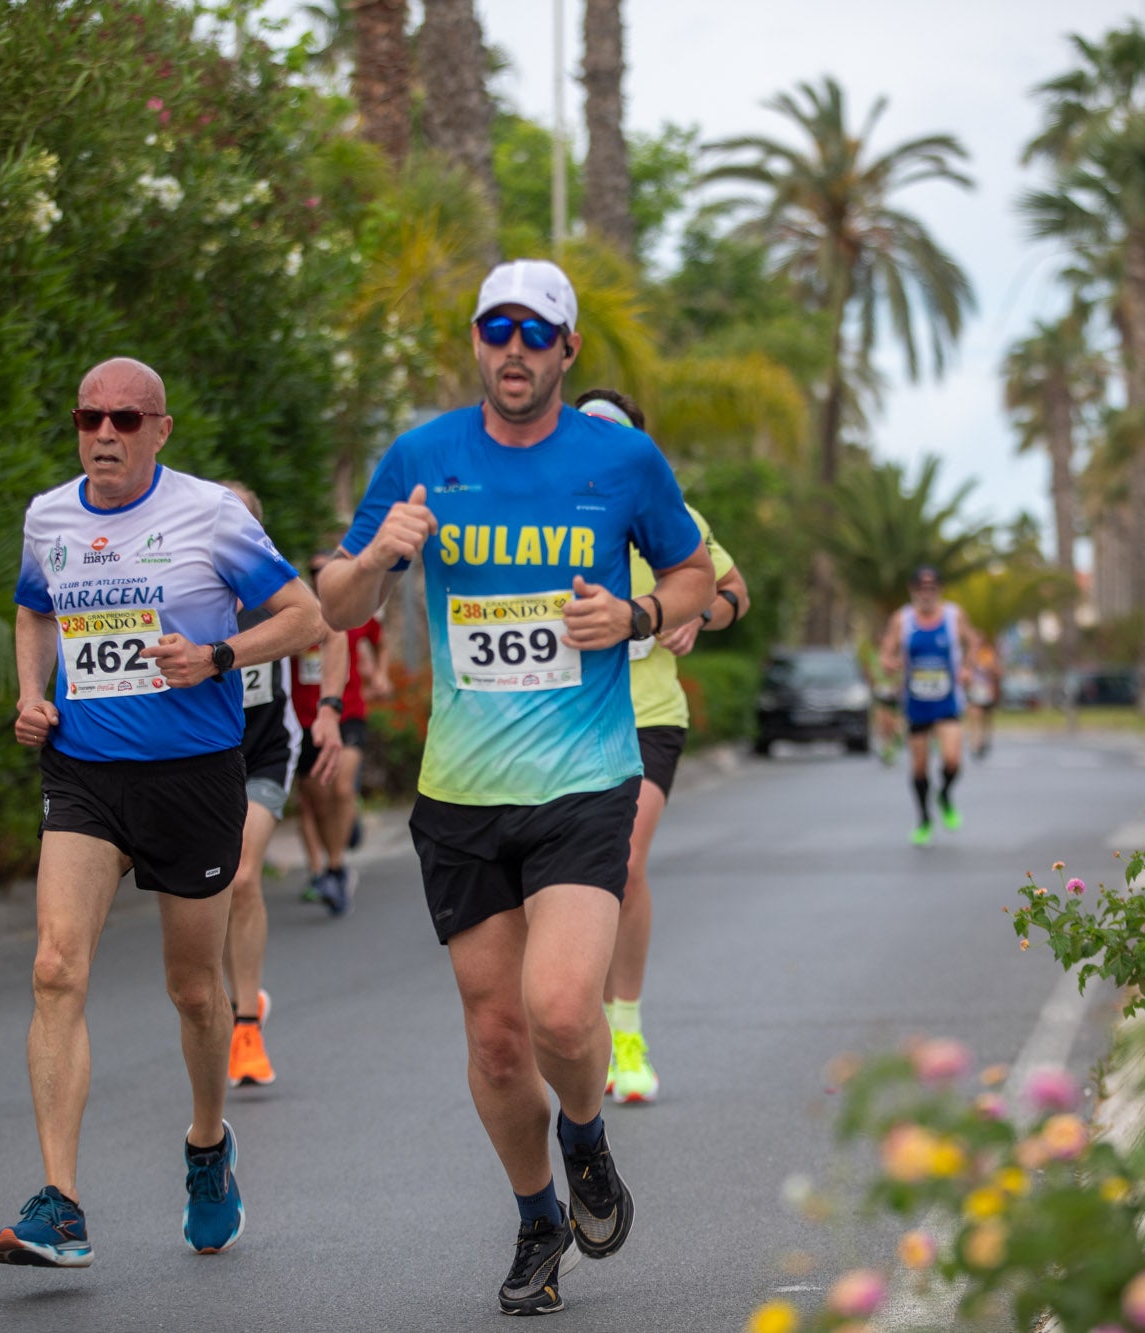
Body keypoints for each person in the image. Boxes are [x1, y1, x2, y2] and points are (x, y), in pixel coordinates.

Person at [318, 259, 716, 1315]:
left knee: (559, 1014)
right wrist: (374, 560)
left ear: (566, 351)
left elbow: (689, 577)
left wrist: (631, 618)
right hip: (460, 794)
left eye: (534, 333)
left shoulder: (622, 459)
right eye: (496, 329)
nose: (513, 349)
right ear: (477, 341)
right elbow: (332, 603)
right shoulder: (421, 456)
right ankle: (538, 1213)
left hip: (586, 780)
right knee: (495, 1039)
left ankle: (584, 1139)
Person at [0, 358, 324, 1267]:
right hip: (87, 774)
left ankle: (209, 1145)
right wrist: (33, 692)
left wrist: (219, 655)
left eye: (127, 420)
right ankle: (60, 1202)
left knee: (193, 989)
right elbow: (32, 610)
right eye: (90, 416)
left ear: (161, 430)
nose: (105, 433)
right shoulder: (49, 515)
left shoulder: (212, 514)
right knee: (56, 967)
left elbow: (305, 617)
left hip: (194, 775)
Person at [574, 387, 751, 1107]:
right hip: (564, 719)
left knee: (625, 860)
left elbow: (732, 589)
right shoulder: (539, 511)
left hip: (648, 713)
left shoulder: (670, 515)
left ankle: (627, 1030)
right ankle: (576, 1024)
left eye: (609, 430)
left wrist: (699, 616)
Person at [216, 484, 346, 1090]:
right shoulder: (179, 583)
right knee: (212, 890)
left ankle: (245, 1028)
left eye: (241, 520)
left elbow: (333, 632)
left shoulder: (273, 588)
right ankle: (238, 998)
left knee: (242, 876)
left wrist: (329, 709)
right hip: (197, 758)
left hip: (266, 751)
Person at [291, 550, 378, 913]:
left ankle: (336, 866)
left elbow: (377, 642)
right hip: (304, 720)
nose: (319, 575)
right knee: (315, 802)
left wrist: (381, 672)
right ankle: (328, 864)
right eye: (313, 569)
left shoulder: (353, 611)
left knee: (341, 787)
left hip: (347, 713)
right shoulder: (296, 613)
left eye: (326, 569)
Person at [878, 567, 976, 847]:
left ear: (940, 591)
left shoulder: (954, 617)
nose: (927, 593)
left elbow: (973, 642)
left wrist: (968, 669)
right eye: (921, 589)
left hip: (948, 701)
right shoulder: (903, 620)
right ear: (913, 591)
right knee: (919, 768)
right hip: (916, 703)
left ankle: (944, 795)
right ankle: (923, 819)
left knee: (952, 760)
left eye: (932, 588)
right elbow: (887, 651)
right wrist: (889, 663)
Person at [965, 636, 1002, 761]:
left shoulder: (989, 654)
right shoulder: (970, 655)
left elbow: (998, 671)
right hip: (975, 691)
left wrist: (988, 669)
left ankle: (986, 740)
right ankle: (975, 744)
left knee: (987, 718)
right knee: (974, 716)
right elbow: (965, 672)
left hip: (988, 690)